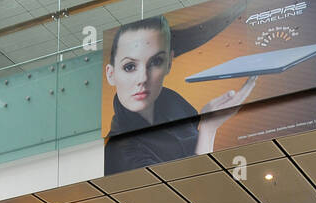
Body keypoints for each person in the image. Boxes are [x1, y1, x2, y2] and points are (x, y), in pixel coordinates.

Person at [103, 16, 258, 175]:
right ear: (111, 74)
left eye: (156, 62)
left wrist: (207, 125)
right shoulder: (120, 151)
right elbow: (191, 189)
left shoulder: (178, 108)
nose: (143, 78)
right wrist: (208, 129)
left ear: (168, 64)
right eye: (129, 67)